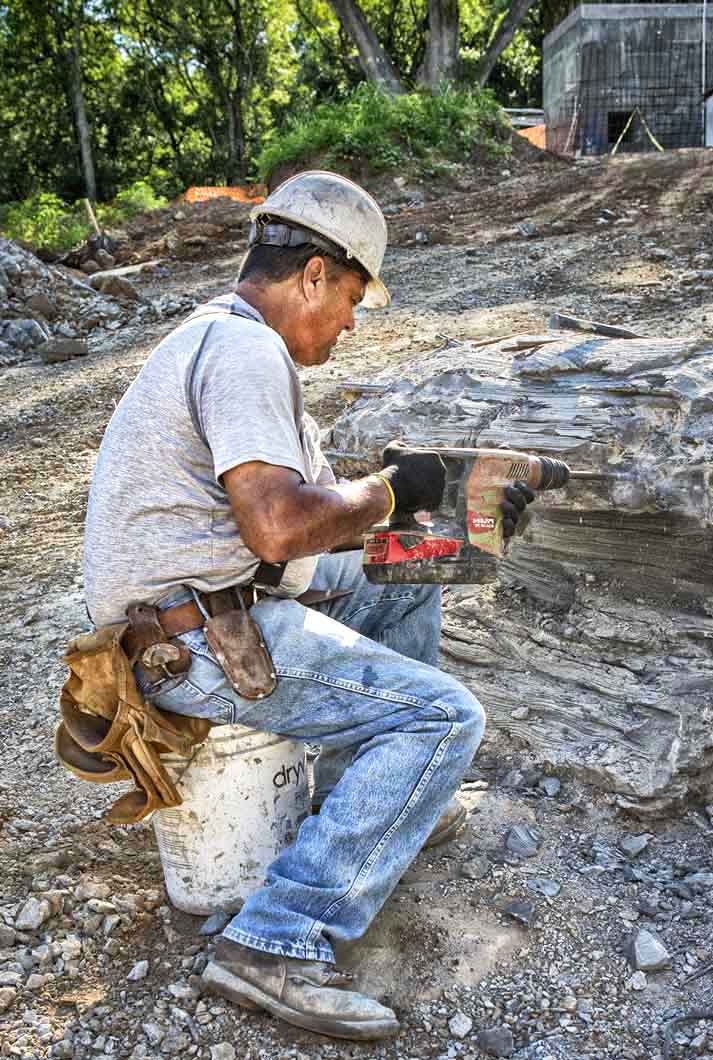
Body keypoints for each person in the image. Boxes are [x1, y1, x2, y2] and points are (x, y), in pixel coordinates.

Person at [83, 170, 532, 1041]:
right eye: (353, 298)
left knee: (406, 576)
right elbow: (282, 527)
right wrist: (392, 490)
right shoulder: (246, 352)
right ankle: (277, 939)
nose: (352, 323)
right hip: (198, 644)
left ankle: (371, 808)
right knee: (442, 720)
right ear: (316, 273)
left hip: (204, 615)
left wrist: (460, 525)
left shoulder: (224, 345)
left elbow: (330, 534)